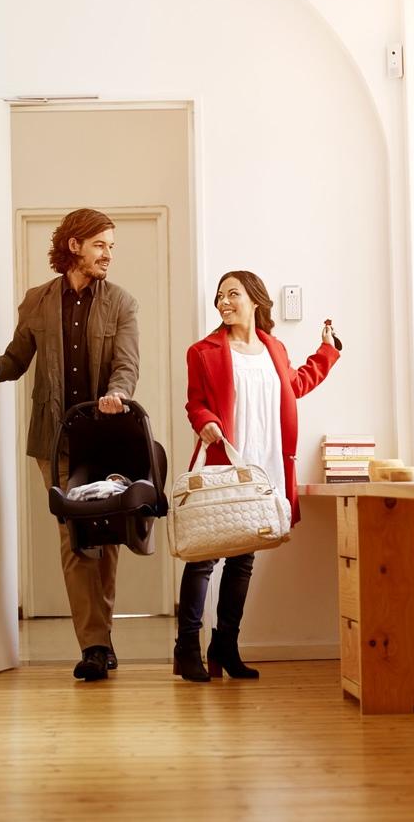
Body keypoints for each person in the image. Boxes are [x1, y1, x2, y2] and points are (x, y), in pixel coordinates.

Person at [0, 208, 138, 682]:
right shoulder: (37, 302)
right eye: (101, 244)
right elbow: (17, 360)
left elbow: (127, 364)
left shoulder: (121, 303)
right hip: (55, 440)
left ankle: (100, 636)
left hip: (106, 438)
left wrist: (118, 393)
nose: (108, 255)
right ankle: (95, 645)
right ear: (75, 245)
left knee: (106, 538)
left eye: (112, 246)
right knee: (75, 535)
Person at [174, 270, 340, 683]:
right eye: (219, 296)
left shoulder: (274, 348)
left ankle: (226, 645)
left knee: (243, 557)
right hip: (223, 462)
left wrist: (327, 352)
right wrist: (206, 420)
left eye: (233, 294)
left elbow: (295, 384)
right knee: (202, 559)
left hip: (263, 466)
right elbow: (194, 403)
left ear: (255, 300)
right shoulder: (203, 351)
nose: (223, 302)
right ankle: (186, 647)